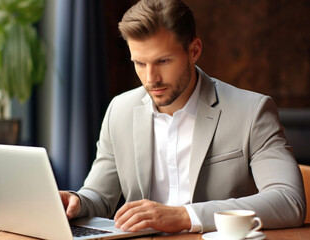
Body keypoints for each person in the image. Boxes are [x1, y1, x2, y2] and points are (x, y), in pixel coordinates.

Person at [59, 0, 306, 233]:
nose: (150, 79)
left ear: (194, 50)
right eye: (140, 63)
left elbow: (288, 200)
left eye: (163, 61)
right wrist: (76, 201)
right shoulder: (119, 111)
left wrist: (184, 216)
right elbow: (100, 196)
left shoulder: (252, 111)